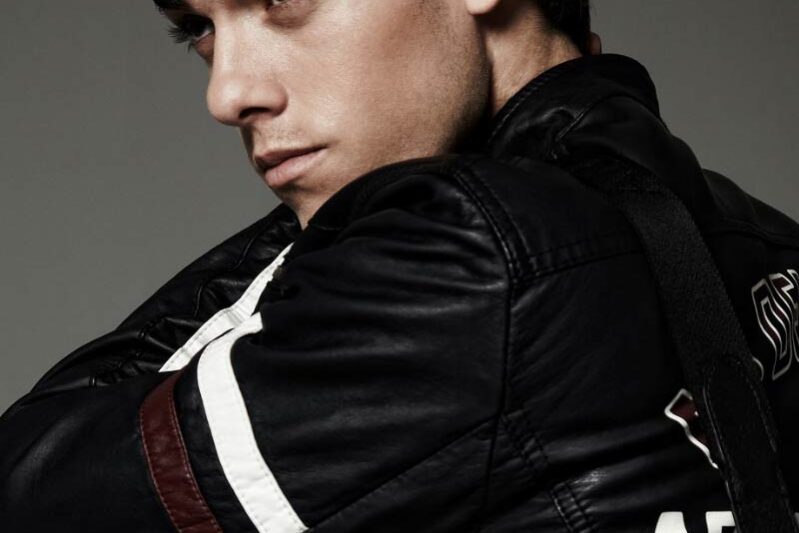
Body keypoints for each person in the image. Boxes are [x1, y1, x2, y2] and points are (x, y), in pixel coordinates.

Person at [0, 0, 797, 531]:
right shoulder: (759, 235)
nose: (226, 92)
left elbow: (32, 488)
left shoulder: (463, 252)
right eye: (197, 27)